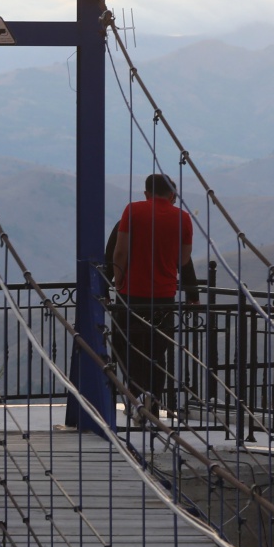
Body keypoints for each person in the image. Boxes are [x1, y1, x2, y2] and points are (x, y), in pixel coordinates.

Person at [111, 173, 200, 423]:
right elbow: (183, 260)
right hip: (163, 297)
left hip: (131, 294)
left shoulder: (133, 211)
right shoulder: (182, 218)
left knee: (127, 347)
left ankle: (136, 398)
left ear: (146, 193)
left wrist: (118, 279)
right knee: (156, 351)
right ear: (172, 194)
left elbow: (120, 251)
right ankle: (153, 398)